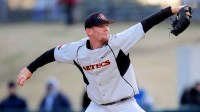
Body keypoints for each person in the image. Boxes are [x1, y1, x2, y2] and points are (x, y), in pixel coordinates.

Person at [17, 5, 192, 112]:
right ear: (89, 31)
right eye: (101, 26)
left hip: (125, 106)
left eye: (107, 25)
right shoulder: (77, 50)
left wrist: (173, 9)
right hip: (97, 107)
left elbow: (146, 24)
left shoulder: (118, 42)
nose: (107, 29)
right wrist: (29, 69)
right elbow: (52, 53)